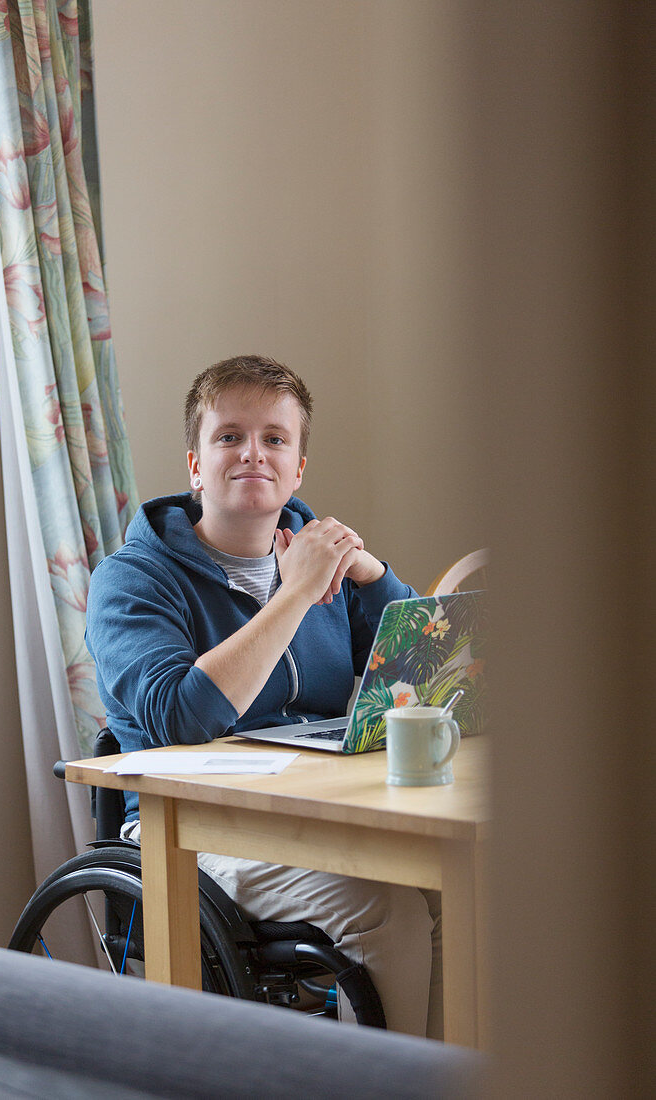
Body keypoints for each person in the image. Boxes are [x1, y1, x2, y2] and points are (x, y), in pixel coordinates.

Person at [85, 354, 442, 1037]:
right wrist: (297, 592)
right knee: (386, 912)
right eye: (229, 437)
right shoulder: (132, 580)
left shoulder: (326, 565)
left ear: (298, 467)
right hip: (192, 826)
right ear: (195, 464)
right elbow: (179, 721)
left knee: (466, 894)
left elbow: (426, 676)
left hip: (320, 809)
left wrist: (372, 574)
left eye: (274, 438)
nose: (253, 453)